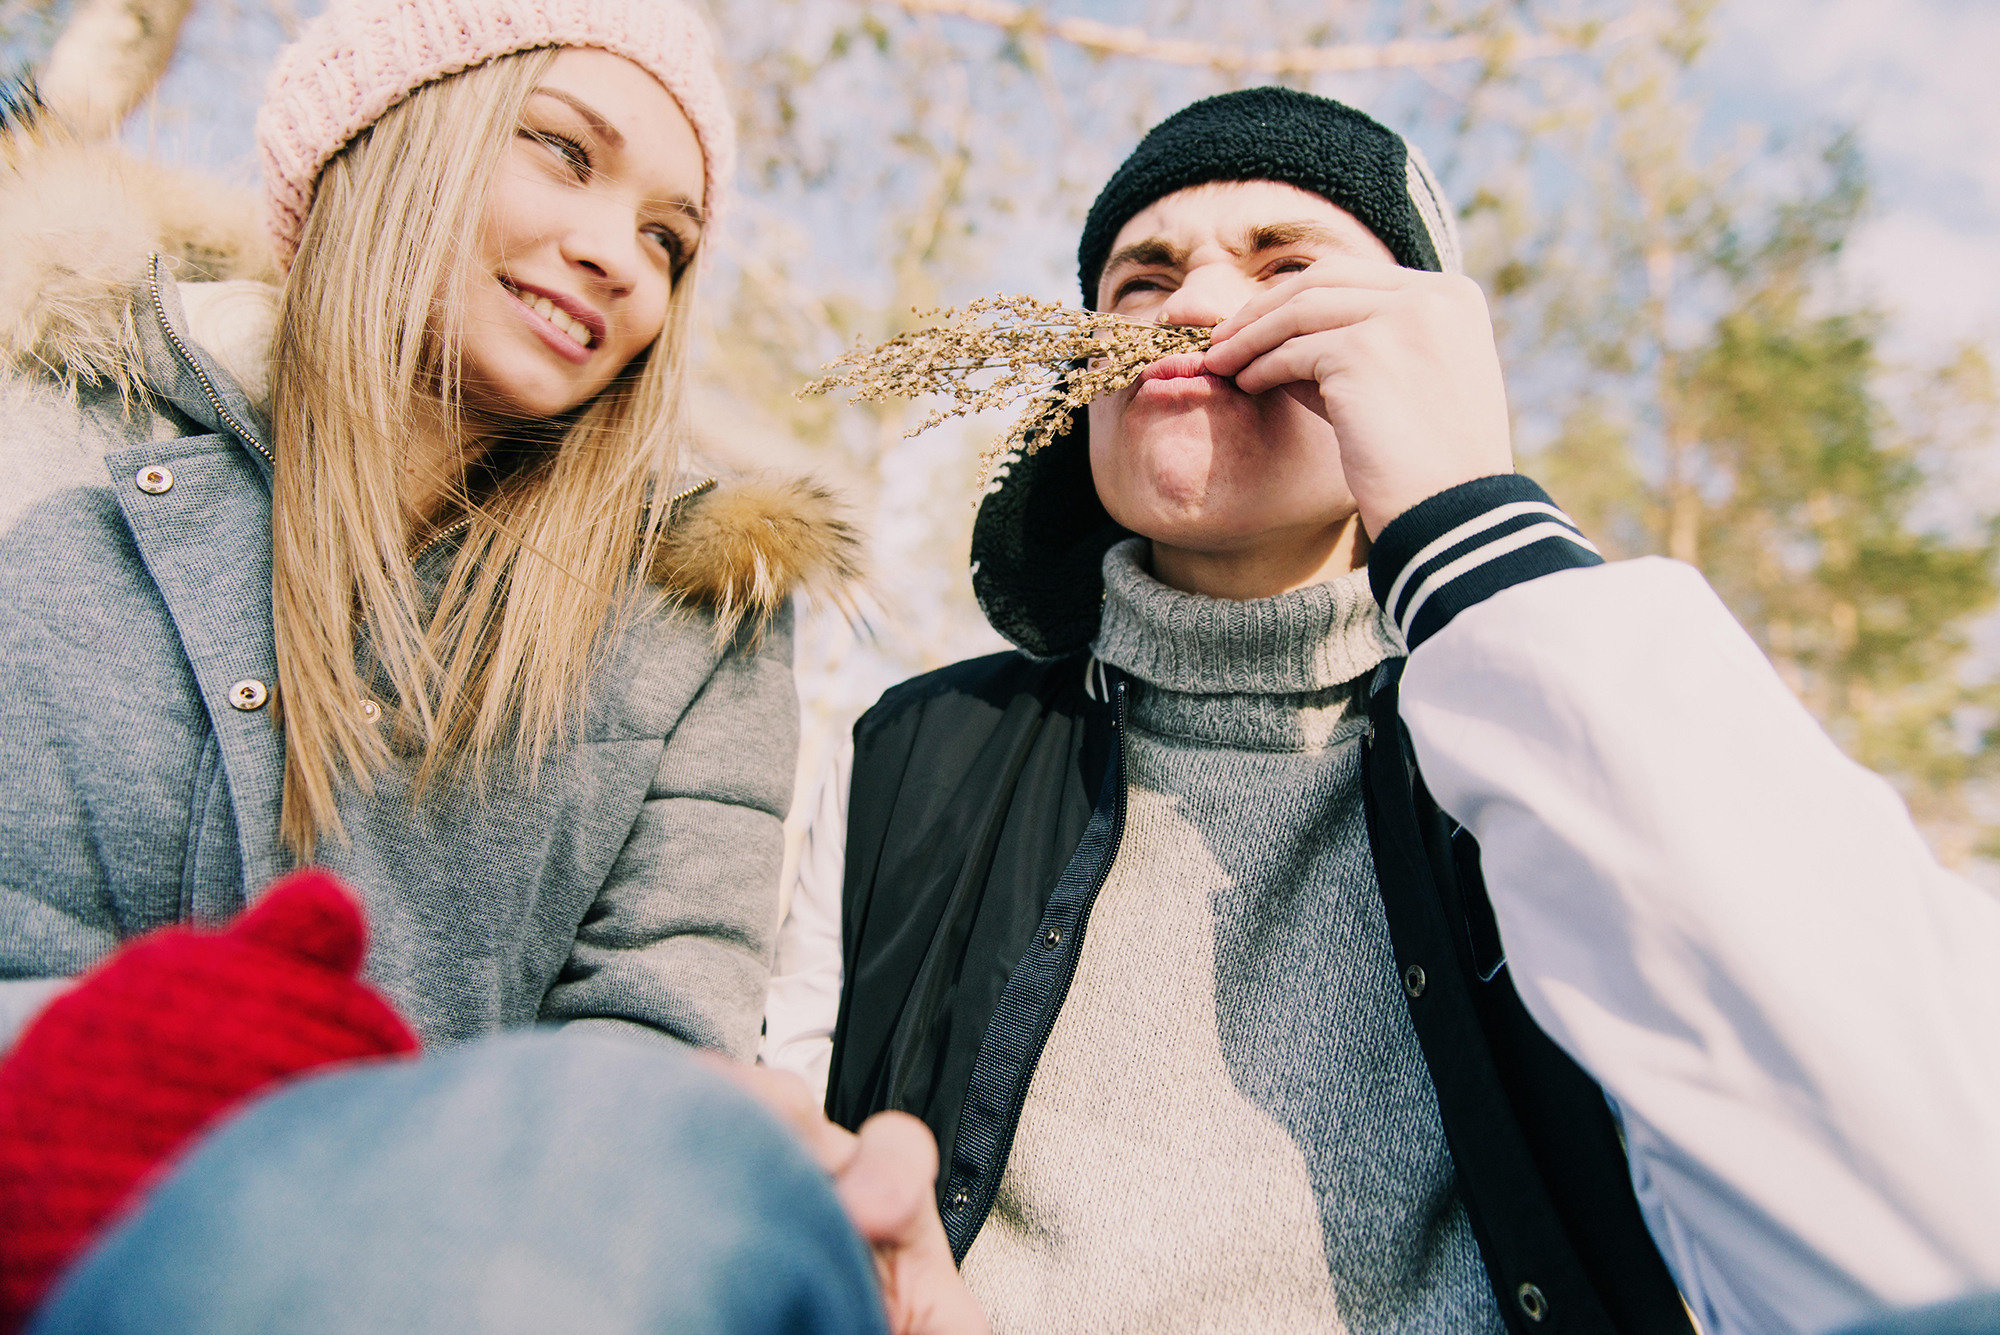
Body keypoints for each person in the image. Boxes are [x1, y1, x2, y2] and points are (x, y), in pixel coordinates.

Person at [764, 86, 2000, 1335]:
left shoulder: (1562, 747)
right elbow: (775, 1154)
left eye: (1284, 266)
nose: (1188, 306)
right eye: (1138, 281)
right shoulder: (914, 759)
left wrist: (1474, 530)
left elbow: (1930, 1205)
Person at [0, 0, 973, 1328]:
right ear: (392, 130)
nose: (618, 256)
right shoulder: (42, 448)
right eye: (565, 152)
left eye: (667, 238)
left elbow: (648, 1063)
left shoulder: (698, 629)